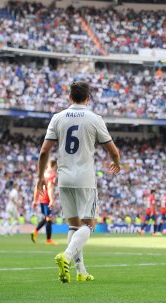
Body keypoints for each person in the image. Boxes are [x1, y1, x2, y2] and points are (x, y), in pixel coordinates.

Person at [36, 81, 121, 283]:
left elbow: (44, 151)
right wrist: (116, 162)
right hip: (84, 178)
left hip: (64, 178)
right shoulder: (94, 119)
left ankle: (80, 272)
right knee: (89, 225)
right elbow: (113, 151)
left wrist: (40, 177)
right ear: (88, 98)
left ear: (69, 97)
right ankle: (66, 256)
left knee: (74, 226)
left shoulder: (57, 118)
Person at [31, 159, 57, 245]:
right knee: (49, 218)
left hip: (41, 199)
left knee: (47, 218)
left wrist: (35, 200)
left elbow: (36, 187)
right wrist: (52, 200)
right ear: (55, 166)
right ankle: (48, 239)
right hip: (47, 199)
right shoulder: (52, 175)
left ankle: (36, 231)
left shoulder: (43, 174)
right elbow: (50, 188)